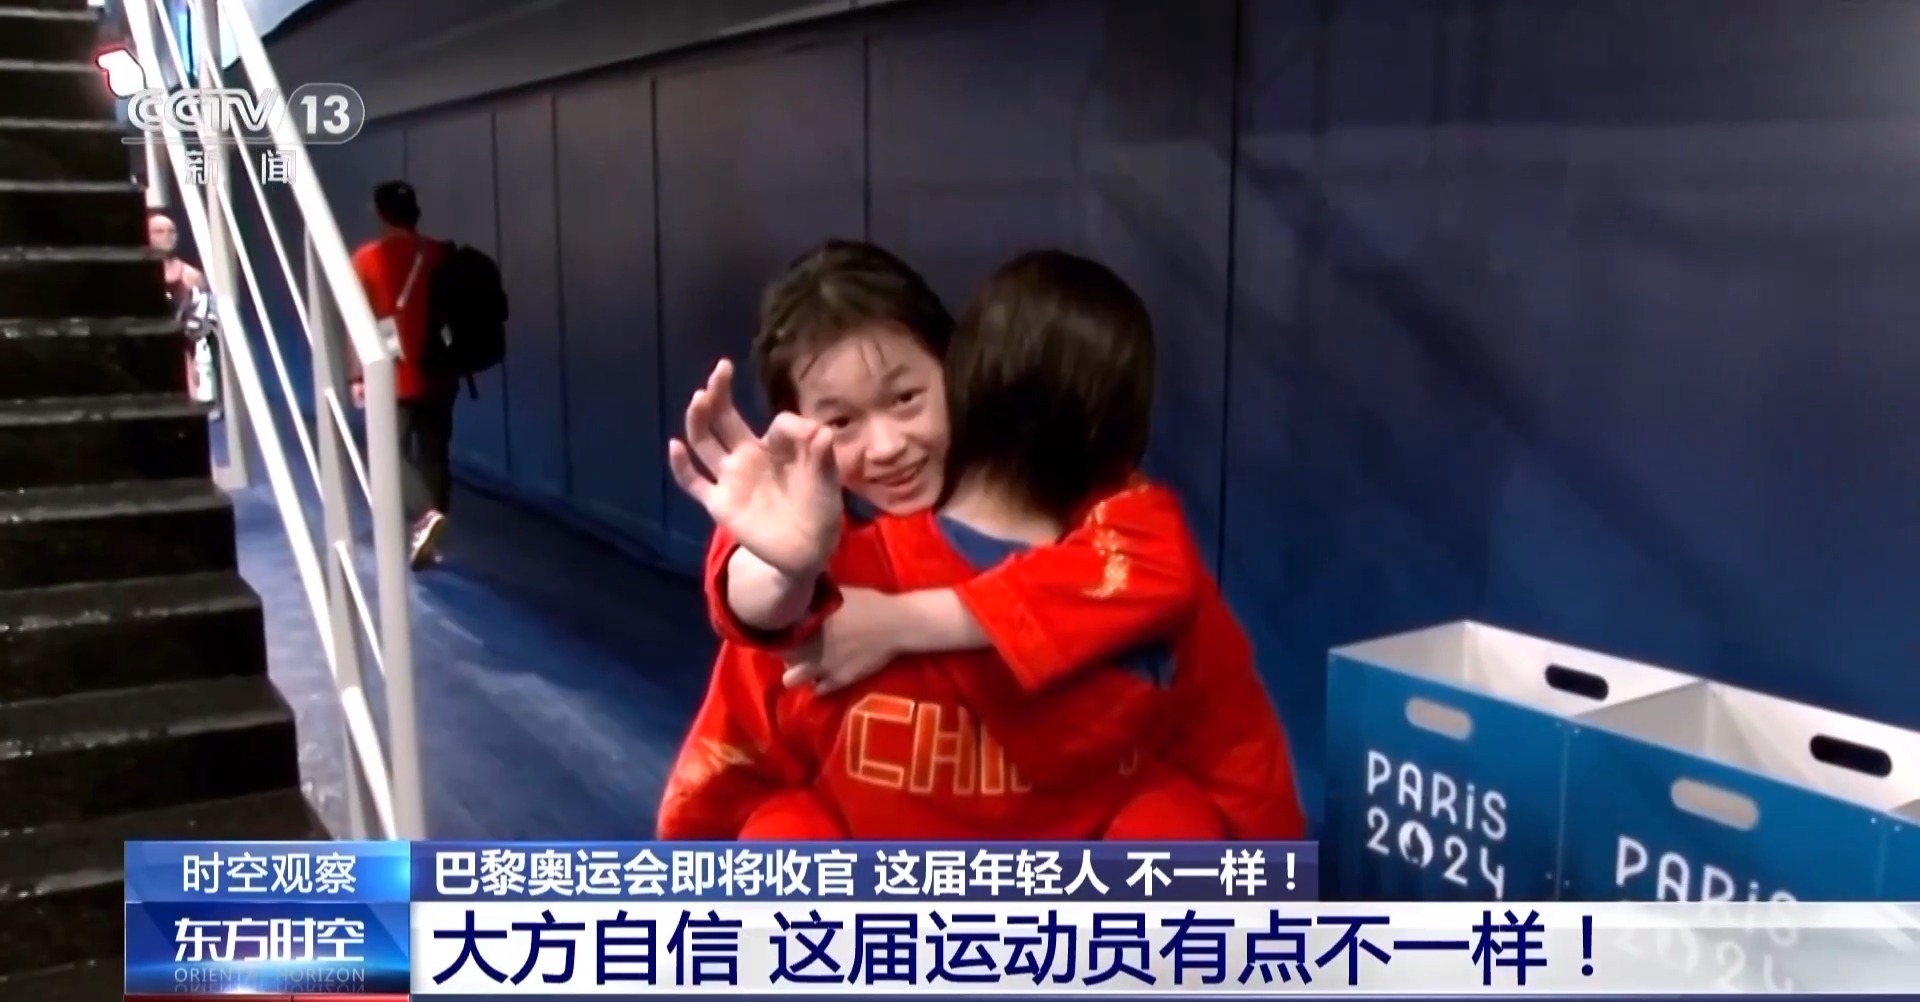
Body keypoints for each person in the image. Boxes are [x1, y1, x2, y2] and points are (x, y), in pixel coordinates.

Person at [660, 245, 1301, 839]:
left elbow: (1226, 726)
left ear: (960, 371)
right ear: (794, 427)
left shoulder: (1120, 536)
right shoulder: (807, 542)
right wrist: (786, 571)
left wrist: (902, 623)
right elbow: (753, 601)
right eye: (841, 420)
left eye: (906, 398)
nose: (886, 446)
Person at [350, 181, 451, 570]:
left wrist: (356, 375)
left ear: (380, 213)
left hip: (393, 373)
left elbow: (358, 321)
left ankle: (424, 517)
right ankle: (431, 540)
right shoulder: (439, 253)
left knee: (388, 452)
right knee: (434, 454)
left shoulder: (366, 259)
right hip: (438, 372)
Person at [149, 210, 212, 412]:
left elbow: (202, 325)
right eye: (159, 231)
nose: (167, 236)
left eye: (171, 231)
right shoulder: (133, 276)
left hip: (181, 353)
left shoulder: (192, 276)